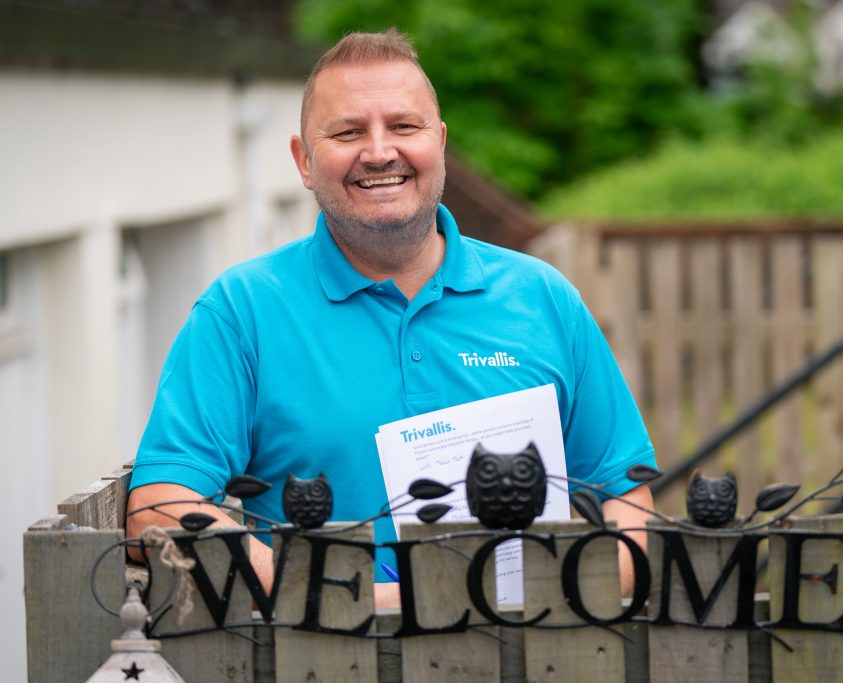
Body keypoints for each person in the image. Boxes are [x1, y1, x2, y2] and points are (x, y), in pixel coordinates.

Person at [126, 29, 656, 607]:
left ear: (440, 142)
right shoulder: (242, 311)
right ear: (304, 161)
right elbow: (157, 505)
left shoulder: (543, 299)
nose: (379, 152)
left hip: (532, 652)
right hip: (319, 660)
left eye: (404, 127)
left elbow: (625, 496)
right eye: (349, 132)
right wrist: (340, 597)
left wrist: (570, 595)